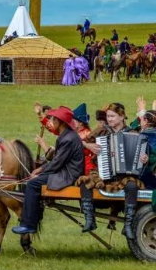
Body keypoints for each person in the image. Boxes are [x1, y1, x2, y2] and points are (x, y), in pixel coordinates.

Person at [77, 102, 147, 238]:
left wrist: (143, 158)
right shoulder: (101, 131)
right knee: (86, 182)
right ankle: (90, 220)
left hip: (123, 176)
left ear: (122, 117)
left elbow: (143, 155)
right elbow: (77, 141)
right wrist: (88, 145)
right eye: (108, 116)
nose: (109, 119)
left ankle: (128, 226)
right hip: (103, 172)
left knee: (132, 186)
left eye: (112, 116)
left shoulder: (132, 133)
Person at [12, 106, 84, 235]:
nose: (51, 121)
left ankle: (29, 224)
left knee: (33, 184)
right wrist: (39, 170)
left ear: (60, 122)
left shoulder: (68, 139)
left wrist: (39, 173)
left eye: (53, 119)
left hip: (67, 175)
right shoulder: (66, 135)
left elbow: (57, 163)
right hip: (63, 170)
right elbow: (57, 160)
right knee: (32, 182)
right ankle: (33, 216)